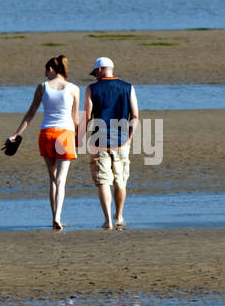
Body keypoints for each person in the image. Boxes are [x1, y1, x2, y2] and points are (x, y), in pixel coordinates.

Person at [8, 55, 81, 231]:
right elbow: (75, 118)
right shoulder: (73, 88)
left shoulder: (42, 87)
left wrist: (17, 134)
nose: (45, 74)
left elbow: (31, 113)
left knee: (52, 179)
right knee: (61, 180)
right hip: (65, 134)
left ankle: (53, 217)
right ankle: (58, 217)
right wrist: (79, 138)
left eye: (46, 71)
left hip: (47, 133)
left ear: (51, 69)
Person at [83, 55, 138, 230]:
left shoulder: (92, 88)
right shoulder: (128, 87)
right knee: (121, 181)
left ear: (100, 70)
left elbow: (87, 116)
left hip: (99, 141)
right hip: (121, 141)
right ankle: (119, 216)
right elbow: (135, 115)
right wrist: (129, 137)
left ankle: (107, 220)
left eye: (95, 72)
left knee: (103, 181)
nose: (95, 76)